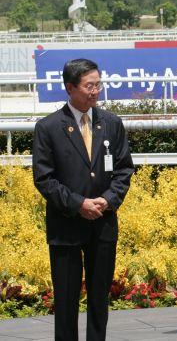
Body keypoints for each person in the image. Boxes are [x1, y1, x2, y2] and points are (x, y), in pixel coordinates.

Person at [32, 58, 134, 341]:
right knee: (66, 300)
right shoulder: (49, 127)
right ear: (70, 87)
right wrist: (79, 204)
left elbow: (124, 168)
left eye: (98, 85)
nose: (95, 91)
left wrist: (108, 199)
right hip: (66, 227)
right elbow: (44, 178)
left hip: (103, 224)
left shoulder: (111, 123)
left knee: (99, 298)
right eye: (89, 86)